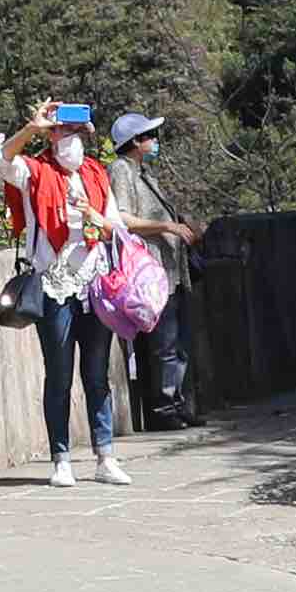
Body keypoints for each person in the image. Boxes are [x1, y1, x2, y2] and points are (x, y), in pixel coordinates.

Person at [0, 98, 131, 487]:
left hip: (94, 283)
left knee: (97, 374)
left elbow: (114, 230)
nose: (70, 140)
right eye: (62, 132)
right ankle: (61, 458)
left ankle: (105, 456)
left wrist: (94, 216)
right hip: (55, 285)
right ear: (51, 138)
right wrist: (32, 128)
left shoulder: (96, 175)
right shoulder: (35, 173)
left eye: (75, 133)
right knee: (59, 374)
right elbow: (3, 161)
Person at [104, 112, 202, 429]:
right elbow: (123, 218)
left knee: (178, 342)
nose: (155, 142)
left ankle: (177, 404)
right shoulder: (121, 170)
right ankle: (162, 409)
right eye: (149, 136)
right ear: (135, 142)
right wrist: (166, 226)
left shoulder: (144, 174)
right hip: (150, 274)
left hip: (170, 271)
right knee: (163, 344)